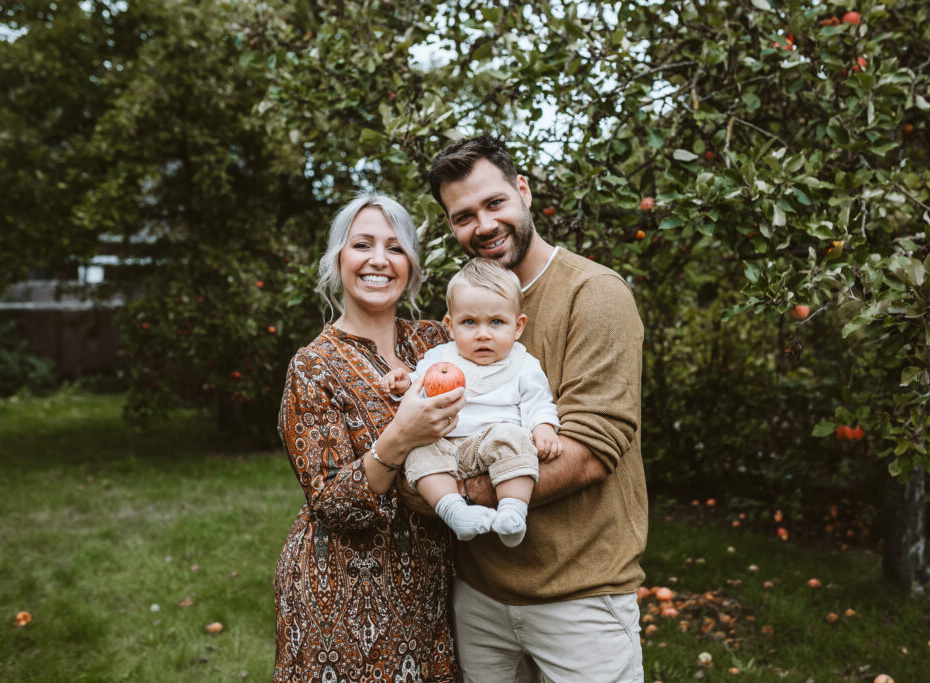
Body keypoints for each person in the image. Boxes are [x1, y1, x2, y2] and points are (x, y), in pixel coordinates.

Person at [425, 134, 648, 682]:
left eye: (494, 203)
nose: (483, 225)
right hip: (479, 593)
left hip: (579, 598)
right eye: (463, 216)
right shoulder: (469, 309)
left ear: (523, 192)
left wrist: (444, 496)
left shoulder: (594, 294)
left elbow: (590, 453)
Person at [273, 192, 466, 682]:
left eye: (396, 247)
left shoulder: (436, 342)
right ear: (339, 260)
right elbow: (333, 501)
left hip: (433, 584)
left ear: (412, 266)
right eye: (362, 245)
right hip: (342, 594)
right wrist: (399, 436)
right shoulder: (313, 365)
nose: (379, 260)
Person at [381, 257, 562, 547]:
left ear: (518, 327)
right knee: (418, 451)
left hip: (493, 446)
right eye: (469, 322)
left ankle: (513, 512)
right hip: (444, 445)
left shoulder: (524, 364)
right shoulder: (440, 357)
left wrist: (543, 428)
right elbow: (419, 387)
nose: (483, 334)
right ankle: (455, 513)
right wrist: (404, 383)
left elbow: (539, 402)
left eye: (497, 322)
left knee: (515, 438)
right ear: (450, 326)